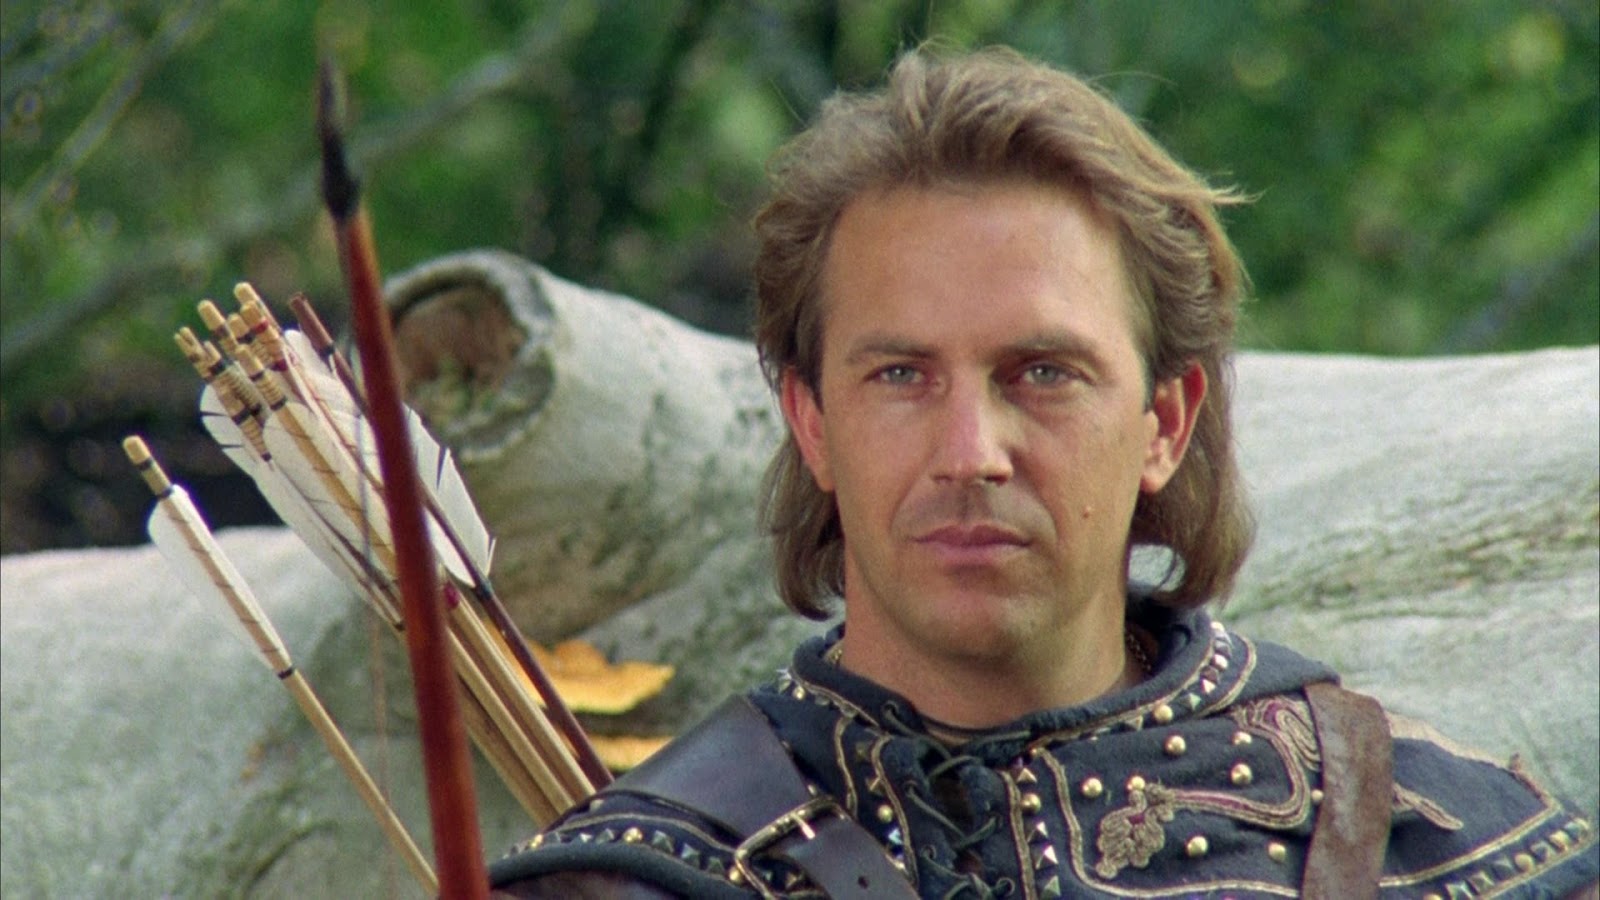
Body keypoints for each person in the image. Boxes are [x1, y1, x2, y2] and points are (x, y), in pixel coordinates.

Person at [488, 46, 1598, 898]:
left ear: (1165, 422)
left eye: (1042, 373)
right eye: (900, 376)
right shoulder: (632, 879)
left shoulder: (1445, 845)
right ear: (811, 423)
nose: (970, 453)